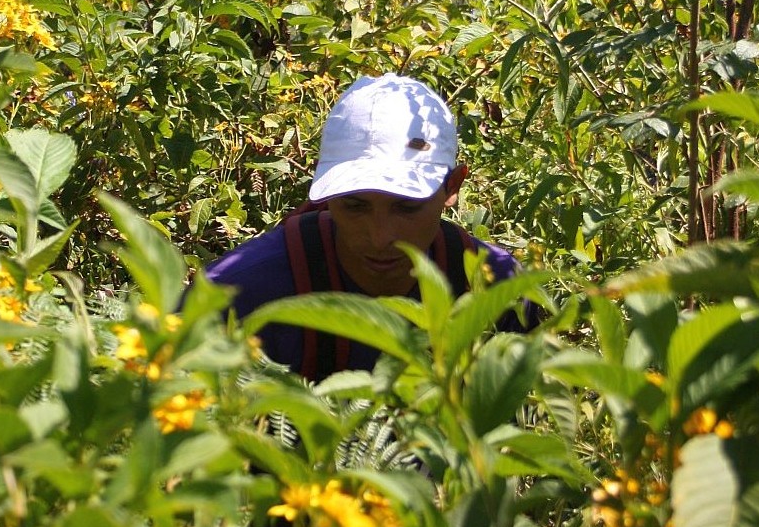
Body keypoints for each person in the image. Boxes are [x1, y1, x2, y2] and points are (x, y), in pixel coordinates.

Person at [205, 73, 542, 379]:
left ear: (452, 186)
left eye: (407, 207)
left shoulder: (499, 291)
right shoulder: (235, 292)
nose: (380, 237)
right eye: (355, 206)